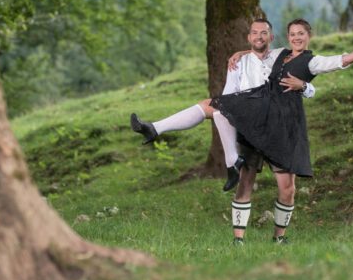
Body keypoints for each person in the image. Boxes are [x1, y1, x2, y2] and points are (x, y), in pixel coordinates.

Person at [213, 18, 353, 245]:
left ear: (309, 36)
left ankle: (279, 238)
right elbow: (258, 49)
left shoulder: (312, 61)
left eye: (301, 34)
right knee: (245, 180)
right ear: (287, 37)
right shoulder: (279, 54)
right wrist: (238, 53)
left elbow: (345, 59)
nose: (297, 38)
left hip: (286, 127)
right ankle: (238, 240)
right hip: (258, 123)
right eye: (293, 34)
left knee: (287, 188)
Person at [129, 18, 316, 191]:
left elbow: (305, 71)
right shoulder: (237, 63)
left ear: (271, 37)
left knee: (286, 188)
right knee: (217, 110)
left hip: (273, 119)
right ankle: (154, 129)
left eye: (264, 33)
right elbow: (228, 94)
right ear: (248, 37)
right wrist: (242, 55)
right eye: (255, 33)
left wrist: (305, 86)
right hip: (247, 115)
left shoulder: (281, 56)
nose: (259, 37)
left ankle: (231, 162)